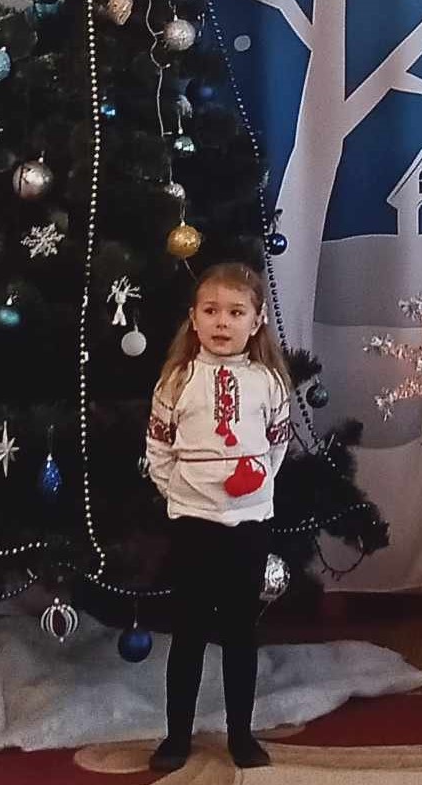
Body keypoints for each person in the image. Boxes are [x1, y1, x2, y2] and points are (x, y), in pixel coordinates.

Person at [145, 262, 292, 771]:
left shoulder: (268, 382)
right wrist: (181, 493)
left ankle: (241, 735)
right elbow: (158, 446)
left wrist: (254, 487)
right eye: (210, 311)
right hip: (192, 522)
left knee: (239, 632)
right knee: (187, 632)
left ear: (257, 320)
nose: (222, 322)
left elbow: (277, 444)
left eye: (235, 312)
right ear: (194, 318)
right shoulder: (177, 380)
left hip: (248, 525)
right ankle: (176, 737)